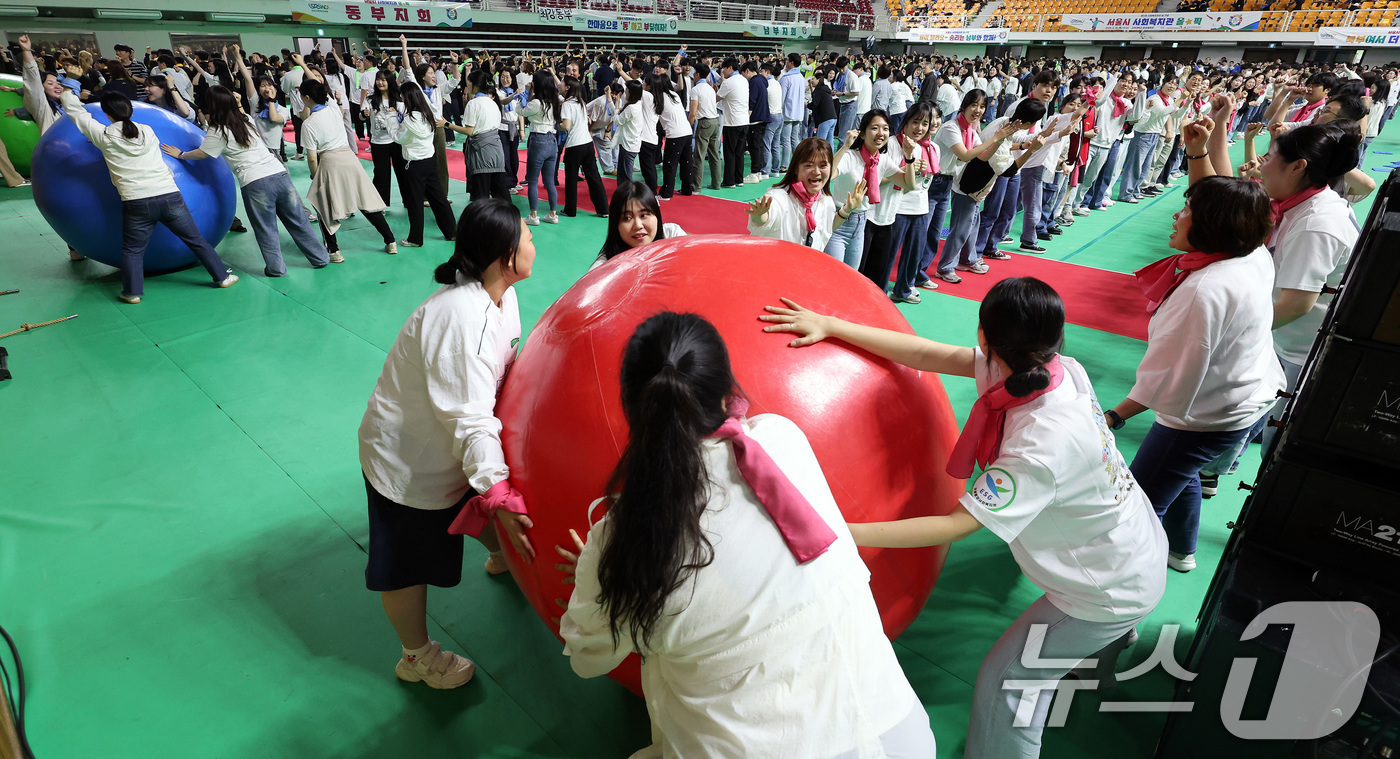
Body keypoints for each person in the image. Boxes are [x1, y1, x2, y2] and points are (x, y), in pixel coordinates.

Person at [760, 277, 1166, 759]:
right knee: (1087, 637)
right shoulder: (1056, 369)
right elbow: (932, 354)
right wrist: (833, 326)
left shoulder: (1039, 446)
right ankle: (1105, 647)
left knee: (1007, 683)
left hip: (1104, 588)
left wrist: (843, 533)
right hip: (1136, 541)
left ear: (985, 338)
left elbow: (956, 523)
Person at [557, 311, 936, 758]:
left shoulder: (622, 537)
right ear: (724, 395)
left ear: (632, 409)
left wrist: (605, 576)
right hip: (900, 736)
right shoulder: (781, 439)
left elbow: (588, 657)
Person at [358, 198, 537, 691]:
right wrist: (499, 496)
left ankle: (502, 554)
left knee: (469, 497)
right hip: (406, 461)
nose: (533, 245)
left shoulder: (501, 294)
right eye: (527, 238)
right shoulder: (464, 321)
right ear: (505, 257)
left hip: (448, 450)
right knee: (403, 564)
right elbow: (471, 422)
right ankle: (415, 657)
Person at [1103, 175, 1285, 573]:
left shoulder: (1203, 289)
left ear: (1212, 225)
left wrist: (1113, 416)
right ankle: (1181, 550)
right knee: (1180, 470)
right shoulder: (1251, 254)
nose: (1175, 215)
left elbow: (1167, 377)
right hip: (1246, 393)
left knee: (1137, 508)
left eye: (1187, 210)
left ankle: (1123, 601)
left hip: (1209, 414)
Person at [61, 90, 237, 303]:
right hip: (169, 195)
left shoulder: (104, 135)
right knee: (197, 240)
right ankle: (222, 277)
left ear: (107, 114)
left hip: (137, 201)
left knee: (133, 250)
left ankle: (132, 293)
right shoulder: (147, 130)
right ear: (131, 110)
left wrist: (69, 91)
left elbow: (77, 113)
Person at [162, 85, 328, 277]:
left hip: (256, 182)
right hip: (279, 173)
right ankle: (319, 258)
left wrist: (181, 154)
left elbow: (203, 153)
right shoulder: (246, 119)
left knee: (266, 228)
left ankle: (276, 268)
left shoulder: (218, 130)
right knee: (299, 221)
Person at [299, 77, 398, 261]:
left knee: (322, 205)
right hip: (350, 160)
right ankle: (390, 241)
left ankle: (334, 251)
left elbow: (312, 157)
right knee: (366, 202)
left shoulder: (309, 124)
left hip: (329, 162)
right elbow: (325, 91)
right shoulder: (334, 109)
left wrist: (315, 174)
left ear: (305, 98)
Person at [746, 137, 866, 252]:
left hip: (808, 267)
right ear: (796, 169)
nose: (816, 172)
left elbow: (826, 228)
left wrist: (846, 210)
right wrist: (759, 216)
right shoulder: (779, 198)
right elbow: (767, 219)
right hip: (779, 269)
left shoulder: (825, 200)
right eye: (809, 165)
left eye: (823, 166)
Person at [826, 109, 904, 270]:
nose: (880, 133)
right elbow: (827, 176)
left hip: (861, 222)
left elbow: (907, 183)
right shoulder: (850, 156)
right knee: (833, 276)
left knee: (852, 277)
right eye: (874, 128)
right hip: (839, 221)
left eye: (885, 128)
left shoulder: (881, 159)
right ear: (862, 134)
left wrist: (909, 158)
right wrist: (845, 146)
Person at [888, 102, 942, 305]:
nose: (919, 128)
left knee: (913, 253)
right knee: (889, 253)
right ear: (906, 122)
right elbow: (885, 174)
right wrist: (908, 167)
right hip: (898, 207)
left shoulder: (932, 148)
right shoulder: (895, 144)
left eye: (925, 123)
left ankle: (903, 289)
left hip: (921, 207)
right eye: (915, 122)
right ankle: (880, 289)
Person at [391, 82, 456, 248]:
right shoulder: (428, 114)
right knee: (439, 199)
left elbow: (399, 138)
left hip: (414, 165)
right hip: (429, 162)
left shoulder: (408, 119)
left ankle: (415, 238)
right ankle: (452, 232)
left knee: (415, 202)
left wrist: (391, 119)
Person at [445, 69, 513, 203]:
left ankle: (482, 223)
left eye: (468, 83)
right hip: (497, 151)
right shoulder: (493, 103)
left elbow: (469, 131)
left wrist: (447, 124)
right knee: (501, 193)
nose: (467, 86)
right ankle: (510, 221)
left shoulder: (473, 104)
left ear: (475, 85)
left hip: (481, 152)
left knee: (481, 195)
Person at [592, 180, 685, 269]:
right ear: (616, 224)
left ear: (656, 216)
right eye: (627, 218)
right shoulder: (604, 267)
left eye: (643, 215)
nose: (638, 226)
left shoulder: (672, 235)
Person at [557, 75, 610, 216]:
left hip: (574, 146)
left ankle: (570, 210)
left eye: (562, 82)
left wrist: (556, 125)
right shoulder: (580, 101)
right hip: (587, 143)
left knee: (571, 179)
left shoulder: (567, 105)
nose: (560, 84)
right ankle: (604, 209)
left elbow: (566, 126)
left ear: (568, 87)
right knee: (594, 177)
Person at [521, 69, 562, 226]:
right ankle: (552, 214)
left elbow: (521, 111)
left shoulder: (536, 103)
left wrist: (527, 92)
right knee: (549, 181)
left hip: (538, 141)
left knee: (532, 181)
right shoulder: (554, 101)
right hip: (552, 141)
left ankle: (533, 215)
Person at [363, 70, 408, 206]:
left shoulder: (399, 98)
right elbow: (361, 116)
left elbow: (405, 117)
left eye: (383, 80)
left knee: (403, 173)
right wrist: (364, 114)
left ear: (390, 81)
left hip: (397, 141)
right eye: (378, 80)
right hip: (378, 142)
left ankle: (408, 200)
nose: (380, 82)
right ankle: (379, 204)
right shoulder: (370, 99)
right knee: (381, 175)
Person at [652, 73, 693, 200]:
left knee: (670, 164)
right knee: (686, 163)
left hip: (675, 135)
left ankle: (666, 193)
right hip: (687, 131)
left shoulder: (658, 98)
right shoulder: (674, 95)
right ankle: (687, 189)